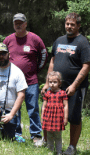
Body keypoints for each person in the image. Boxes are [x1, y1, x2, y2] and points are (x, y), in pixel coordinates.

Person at [41, 12, 90, 155]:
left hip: (75, 87)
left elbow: (86, 66)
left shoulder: (83, 42)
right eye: (67, 24)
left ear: (78, 26)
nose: (69, 26)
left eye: (72, 24)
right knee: (50, 112)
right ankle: (47, 142)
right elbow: (52, 61)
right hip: (55, 86)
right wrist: (46, 83)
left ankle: (71, 147)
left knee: (74, 116)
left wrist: (74, 85)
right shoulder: (59, 40)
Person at [0, 13, 47, 144]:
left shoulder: (34, 38)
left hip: (31, 81)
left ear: (26, 24)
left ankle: (36, 135)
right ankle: (16, 133)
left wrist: (36, 70)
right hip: (13, 82)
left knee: (33, 109)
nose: (18, 25)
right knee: (15, 108)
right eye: (16, 23)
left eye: (21, 22)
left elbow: (44, 55)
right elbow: (1, 56)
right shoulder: (8, 39)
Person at [42, 71, 68, 154]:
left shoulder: (63, 93)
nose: (52, 84)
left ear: (59, 83)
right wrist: (43, 117)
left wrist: (66, 118)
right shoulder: (47, 94)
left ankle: (59, 151)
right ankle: (50, 150)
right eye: (50, 82)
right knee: (49, 135)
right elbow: (44, 106)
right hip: (48, 117)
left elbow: (65, 106)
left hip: (58, 118)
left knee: (58, 135)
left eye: (55, 82)